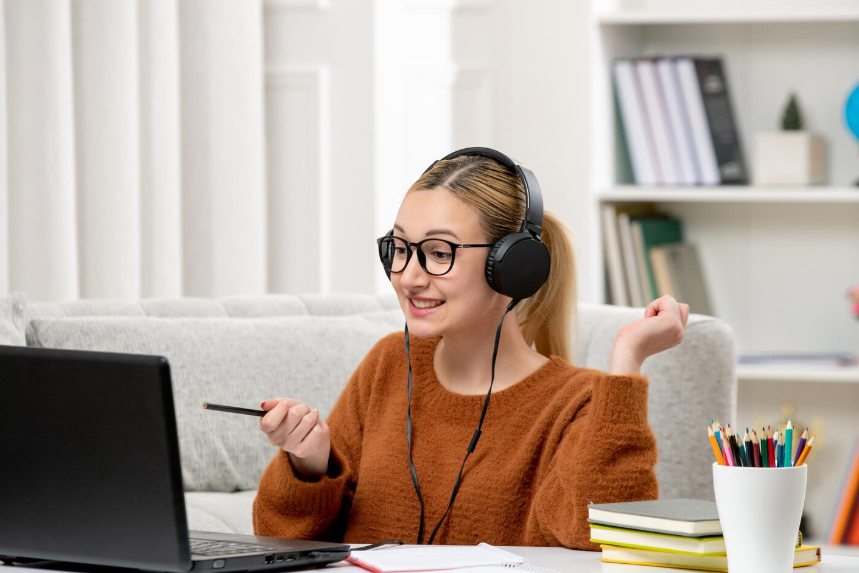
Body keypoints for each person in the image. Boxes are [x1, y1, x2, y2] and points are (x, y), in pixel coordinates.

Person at [253, 149, 689, 549]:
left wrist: (626, 364)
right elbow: (280, 542)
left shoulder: (579, 402)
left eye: (438, 253)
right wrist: (310, 465)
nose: (408, 276)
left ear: (513, 267)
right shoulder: (388, 364)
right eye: (400, 248)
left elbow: (604, 540)